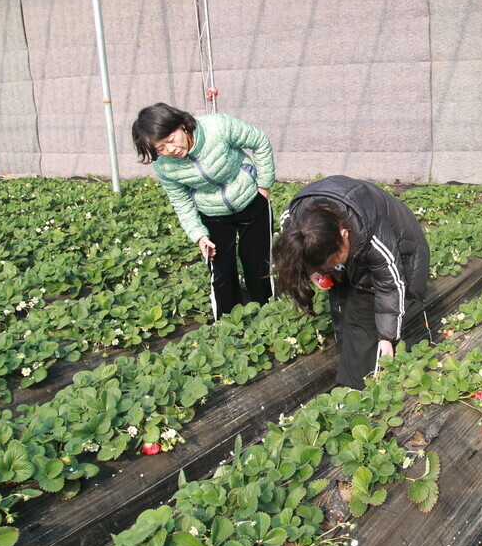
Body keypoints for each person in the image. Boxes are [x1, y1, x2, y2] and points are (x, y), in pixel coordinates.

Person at [274, 175, 430, 388]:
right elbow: (302, 258)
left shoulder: (371, 231)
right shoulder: (296, 226)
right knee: (342, 304)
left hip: (403, 250)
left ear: (344, 233)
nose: (334, 268)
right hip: (357, 245)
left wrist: (386, 337)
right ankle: (352, 362)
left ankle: (361, 391)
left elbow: (390, 287)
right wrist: (314, 272)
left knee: (363, 321)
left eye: (336, 261)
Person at [131, 102, 276, 319]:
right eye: (160, 148)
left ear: (182, 125)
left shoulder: (218, 126)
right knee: (221, 271)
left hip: (249, 197)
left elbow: (260, 140)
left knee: (257, 261)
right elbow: (180, 200)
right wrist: (198, 234)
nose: (170, 150)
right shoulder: (163, 165)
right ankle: (229, 323)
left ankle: (266, 313)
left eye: (170, 140)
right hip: (212, 212)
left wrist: (263, 184)